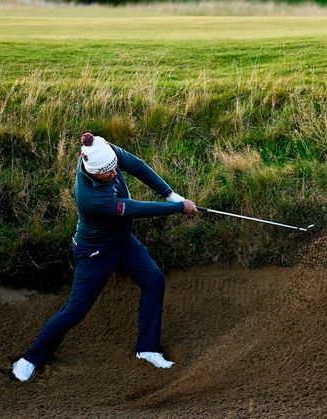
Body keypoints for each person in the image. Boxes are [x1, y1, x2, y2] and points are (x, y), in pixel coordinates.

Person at [12, 132, 198, 381]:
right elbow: (135, 208)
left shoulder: (102, 151)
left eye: (114, 169)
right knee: (75, 311)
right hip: (94, 252)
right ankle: (30, 359)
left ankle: (148, 349)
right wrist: (178, 207)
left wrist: (170, 194)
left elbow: (137, 166)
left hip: (122, 242)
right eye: (107, 174)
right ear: (91, 171)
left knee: (154, 280)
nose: (113, 175)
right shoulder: (93, 199)